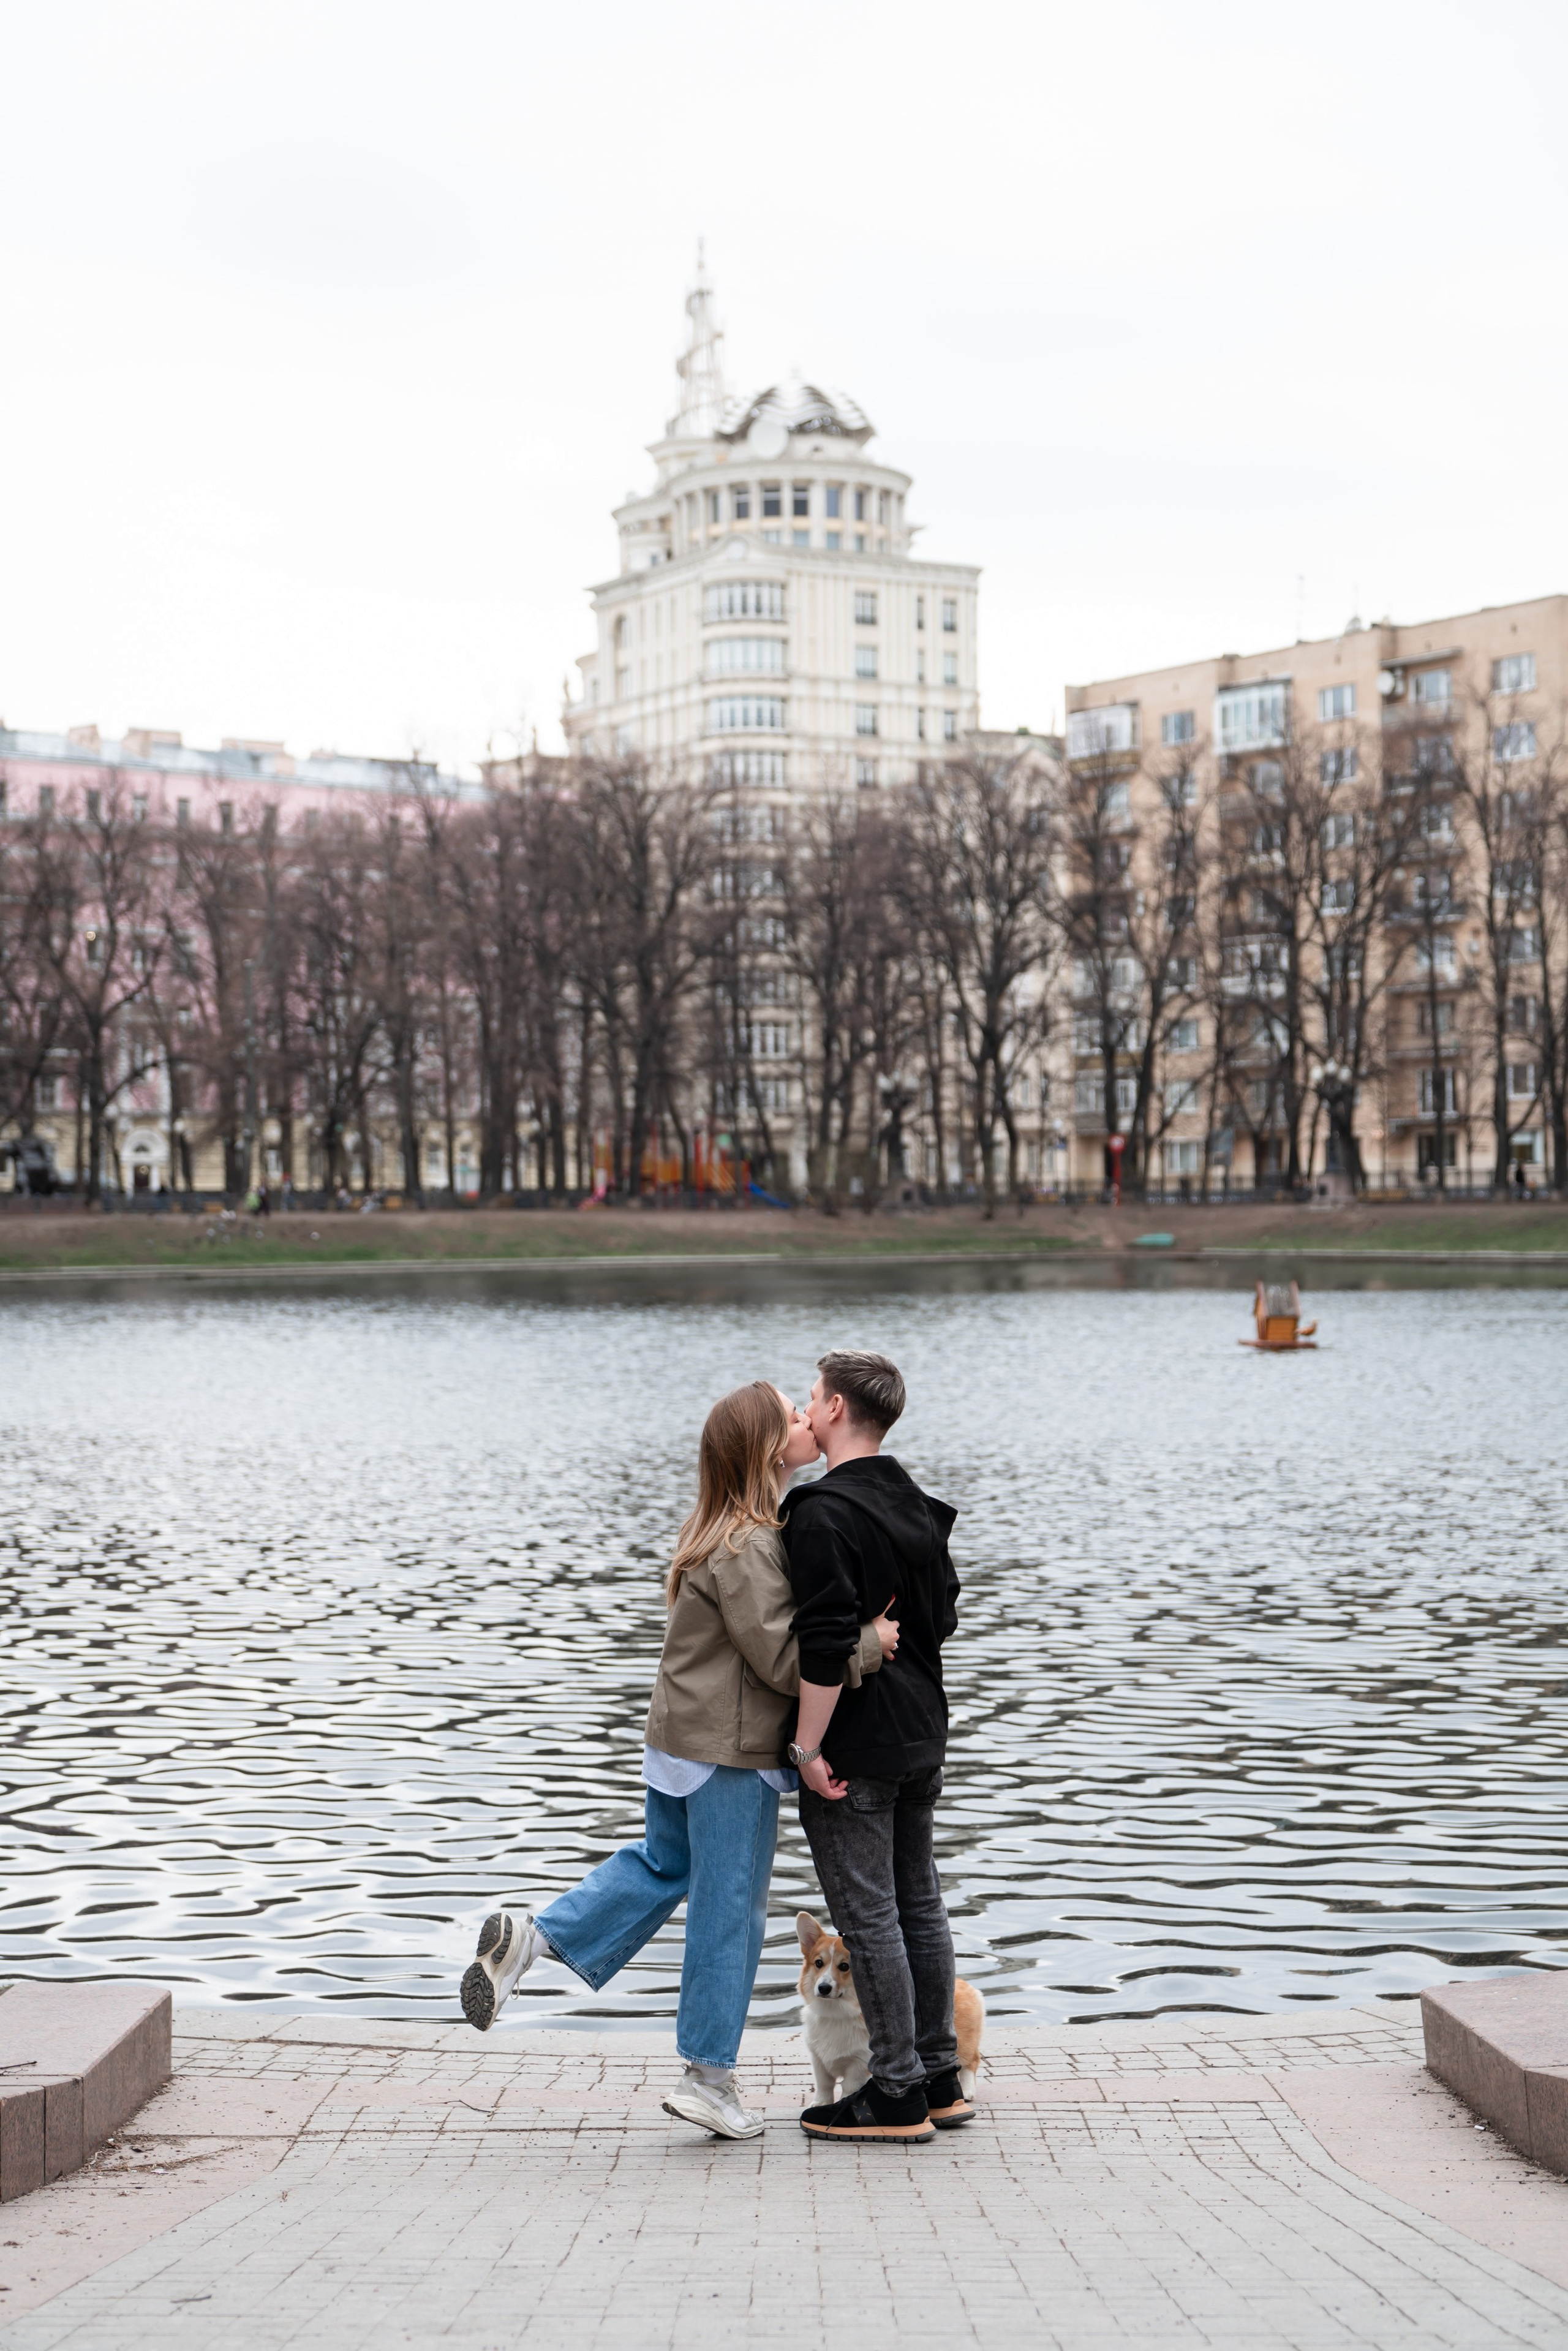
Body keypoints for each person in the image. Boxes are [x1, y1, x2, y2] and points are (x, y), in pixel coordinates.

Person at [459, 1379, 897, 2141]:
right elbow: (780, 1660)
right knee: (730, 1916)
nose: (807, 1421)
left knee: (665, 1864)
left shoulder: (719, 1529)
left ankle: (536, 1936)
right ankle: (709, 2078)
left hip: (678, 1743)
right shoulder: (751, 1543)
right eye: (794, 1415)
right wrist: (869, 1646)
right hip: (726, 1754)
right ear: (767, 1448)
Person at [782, 1348, 964, 2144]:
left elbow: (824, 1644)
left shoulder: (820, 1511)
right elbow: (945, 1617)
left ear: (833, 1409)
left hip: (858, 1739)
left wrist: (807, 1745)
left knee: (873, 1916)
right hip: (924, 1728)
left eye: (813, 1396)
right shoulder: (916, 1503)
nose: (808, 1407)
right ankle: (938, 2074)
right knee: (918, 1903)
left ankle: (893, 2091)